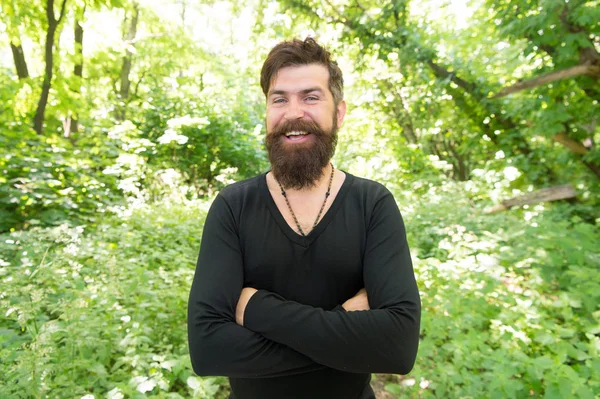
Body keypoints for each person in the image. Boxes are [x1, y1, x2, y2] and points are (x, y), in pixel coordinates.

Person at [187, 37, 421, 399]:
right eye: (279, 99)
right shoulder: (233, 206)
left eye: (311, 97)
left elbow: (398, 346)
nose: (293, 113)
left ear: (338, 113)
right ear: (266, 111)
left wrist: (256, 309)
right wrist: (344, 322)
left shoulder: (372, 204)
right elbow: (208, 350)